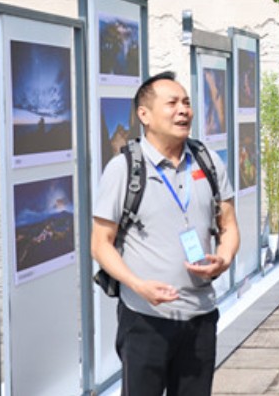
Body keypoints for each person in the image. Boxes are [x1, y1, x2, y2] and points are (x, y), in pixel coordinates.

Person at [91, 71, 240, 396]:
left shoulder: (209, 161)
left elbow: (229, 225)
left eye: (186, 102)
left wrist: (225, 258)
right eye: (172, 103)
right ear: (144, 115)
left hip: (201, 315)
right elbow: (100, 245)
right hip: (145, 318)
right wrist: (138, 285)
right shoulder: (124, 169)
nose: (183, 110)